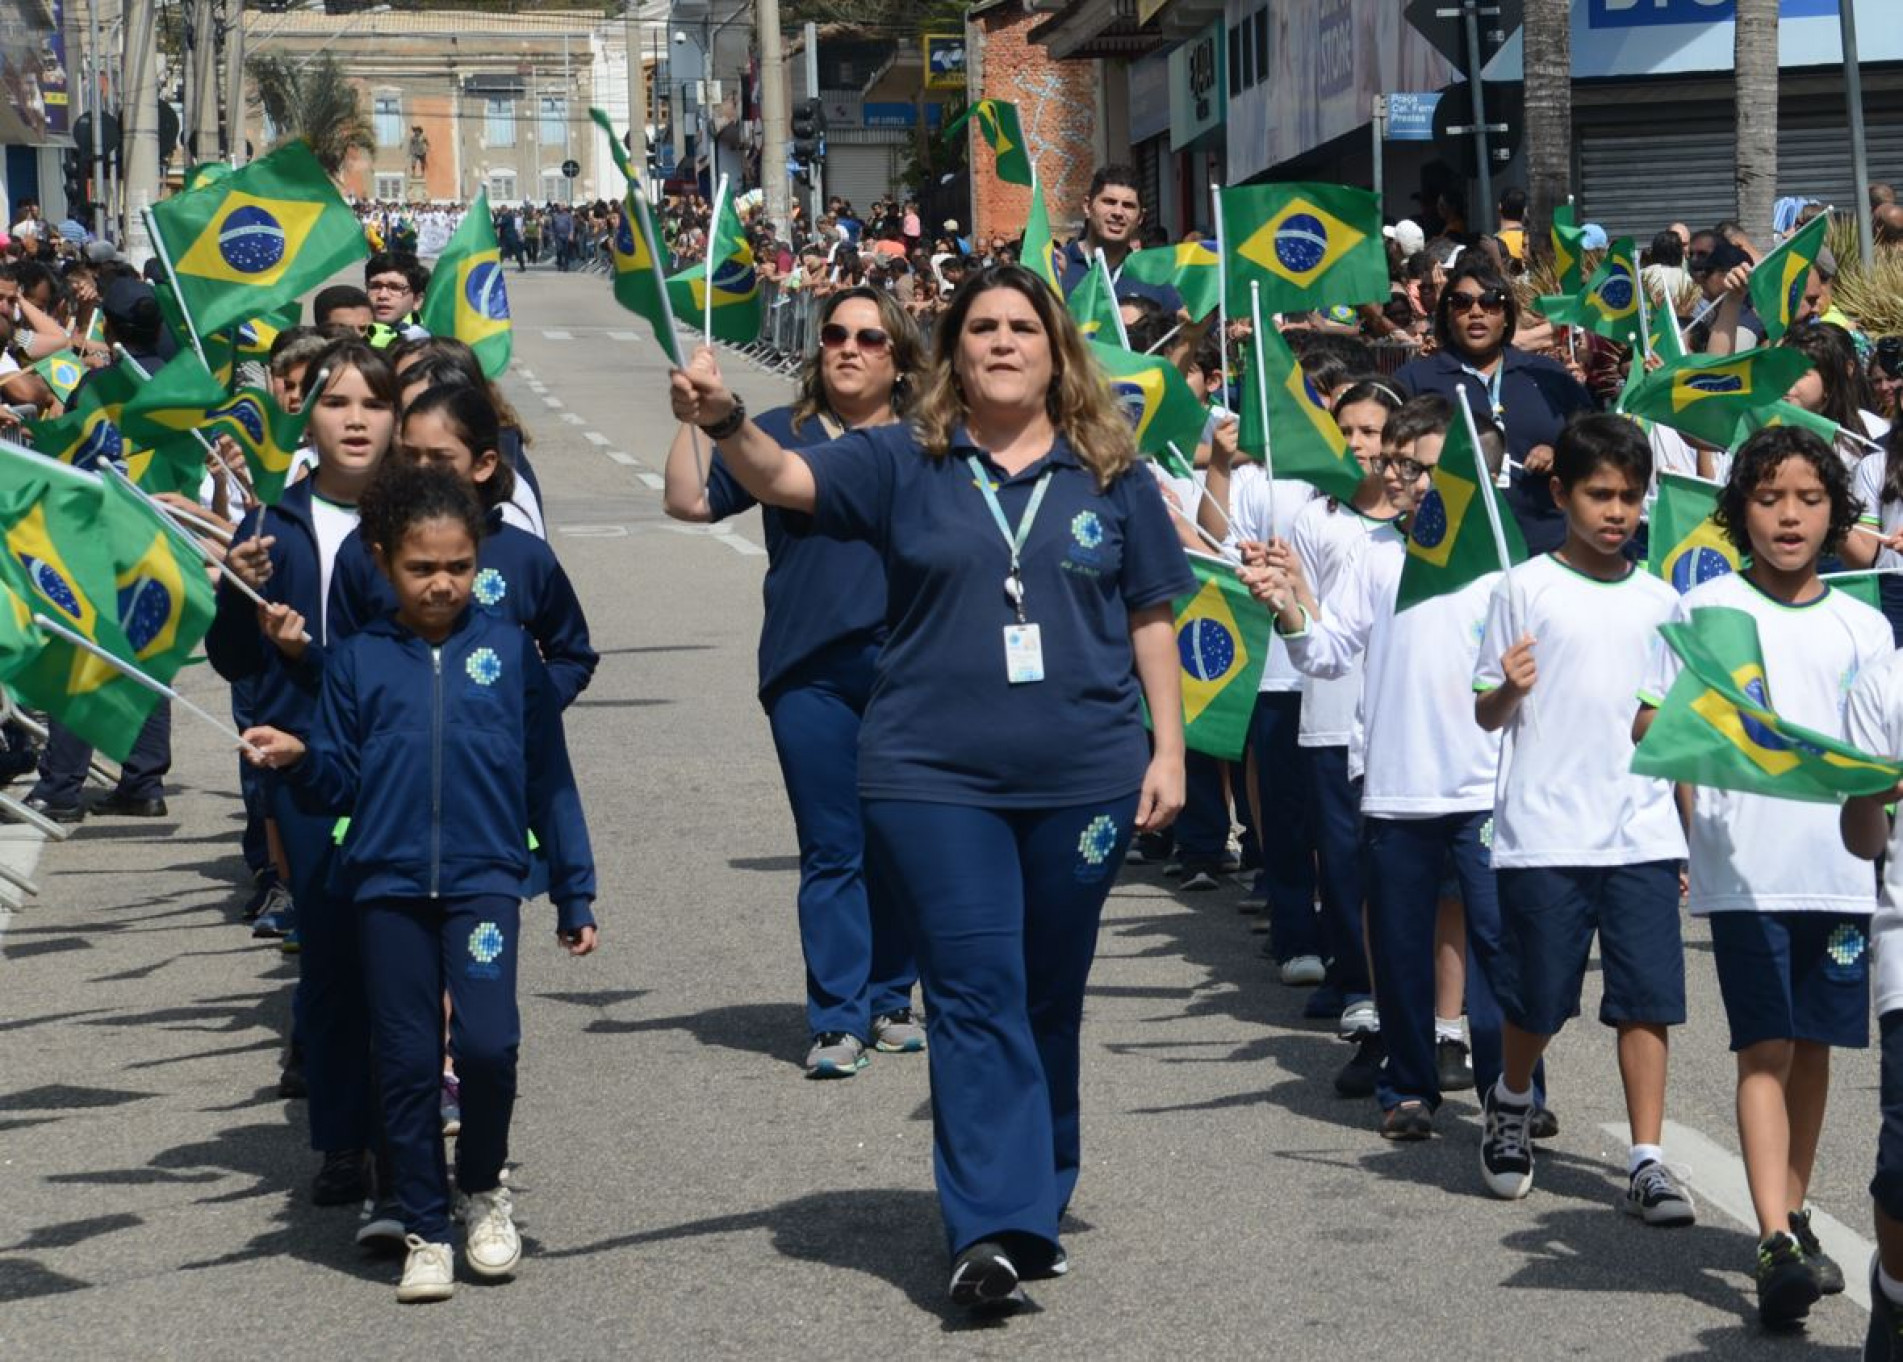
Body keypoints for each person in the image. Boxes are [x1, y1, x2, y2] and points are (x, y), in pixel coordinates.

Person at [666, 262, 1191, 1311]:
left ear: (1056, 351)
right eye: (981, 328)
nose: (1001, 343)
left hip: (1083, 776)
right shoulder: (901, 459)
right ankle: (990, 1227)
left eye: (1021, 329)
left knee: (1045, 991)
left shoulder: (1113, 476)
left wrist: (1166, 750)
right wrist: (723, 417)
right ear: (952, 352)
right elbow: (780, 479)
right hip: (929, 776)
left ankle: (1036, 1195)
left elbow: (1149, 616)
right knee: (970, 988)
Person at [243, 462, 598, 1304]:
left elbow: (550, 779)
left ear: (479, 558)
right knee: (402, 1059)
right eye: (420, 568)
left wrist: (574, 887)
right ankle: (427, 1227)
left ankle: (481, 1188)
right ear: (380, 561)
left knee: (486, 1045)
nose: (442, 584)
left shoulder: (510, 654)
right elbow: (337, 777)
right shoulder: (359, 660)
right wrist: (297, 761)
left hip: (484, 883)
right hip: (386, 887)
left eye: (459, 566)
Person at [1636, 425, 1890, 1327]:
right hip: (1743, 872)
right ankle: (1774, 1236)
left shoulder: (1863, 625)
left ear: (1835, 512)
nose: (1789, 516)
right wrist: (1685, 767)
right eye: (1770, 498)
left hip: (1838, 871)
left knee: (1816, 1047)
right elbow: (1648, 726)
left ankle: (1790, 1215)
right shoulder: (1707, 619)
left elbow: (1873, 752)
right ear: (1739, 509)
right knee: (1765, 1048)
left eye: (1809, 500)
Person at [1249, 395, 1544, 1142]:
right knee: (1401, 949)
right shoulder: (1376, 560)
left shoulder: (1507, 571)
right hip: (1393, 791)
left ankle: (1513, 1089)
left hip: (1485, 792)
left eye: (1425, 468)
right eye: (1401, 467)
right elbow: (1323, 652)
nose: (1410, 482)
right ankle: (1407, 1086)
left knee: (1496, 949)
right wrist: (1286, 606)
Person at [663, 286, 924, 1077]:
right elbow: (687, 502)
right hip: (808, 669)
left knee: (903, 842)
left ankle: (890, 997)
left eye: (869, 338)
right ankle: (836, 1020)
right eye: (835, 334)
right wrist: (693, 415)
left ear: (901, 359)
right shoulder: (780, 431)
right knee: (831, 846)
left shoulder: (931, 442)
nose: (847, 347)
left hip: (911, 669)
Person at [1471, 414, 1694, 1223]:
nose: (1615, 511)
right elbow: (1484, 716)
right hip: (1543, 832)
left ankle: (1647, 1160)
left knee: (1646, 1000)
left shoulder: (1663, 600)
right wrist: (1508, 687)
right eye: (1599, 494)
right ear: (1559, 492)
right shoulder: (1521, 588)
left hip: (1637, 832)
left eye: (1630, 497)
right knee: (1540, 997)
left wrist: (1687, 831)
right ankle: (1510, 1094)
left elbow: (1662, 728)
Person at [207, 339, 396, 1208]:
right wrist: (232, 597)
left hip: (398, 766)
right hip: (305, 771)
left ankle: (412, 1131)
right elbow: (234, 660)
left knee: (400, 960)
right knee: (326, 962)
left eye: (373, 404)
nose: (355, 419)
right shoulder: (270, 524)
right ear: (306, 418)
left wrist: (309, 652)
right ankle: (340, 1139)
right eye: (336, 403)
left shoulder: (416, 521)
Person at [1286, 378, 1402, 1094]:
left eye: (1372, 432)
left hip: (1399, 720)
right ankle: (1361, 985)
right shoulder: (1316, 515)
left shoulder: (1427, 525)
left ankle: (1429, 1010)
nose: (1359, 444)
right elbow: (1307, 613)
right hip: (1331, 712)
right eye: (1348, 430)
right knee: (1346, 859)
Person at [1394, 257, 1596, 554]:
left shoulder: (1548, 374)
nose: (1476, 312)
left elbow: (1595, 443)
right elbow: (1390, 458)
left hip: (1547, 548)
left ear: (1506, 315)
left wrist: (1561, 454)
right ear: (1447, 315)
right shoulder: (1415, 379)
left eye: (1491, 302)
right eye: (1461, 302)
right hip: (1453, 551)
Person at [1841, 649, 1903, 1359]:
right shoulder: (1885, 681)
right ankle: (1892, 1287)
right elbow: (1862, 841)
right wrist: (1866, 793)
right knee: (1899, 1170)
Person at [1057, 166, 1183, 315]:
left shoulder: (1157, 279)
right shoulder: (1056, 266)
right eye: (1109, 202)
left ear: (1140, 218)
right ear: (1087, 206)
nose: (1118, 212)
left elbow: (1182, 333)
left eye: (1128, 206)